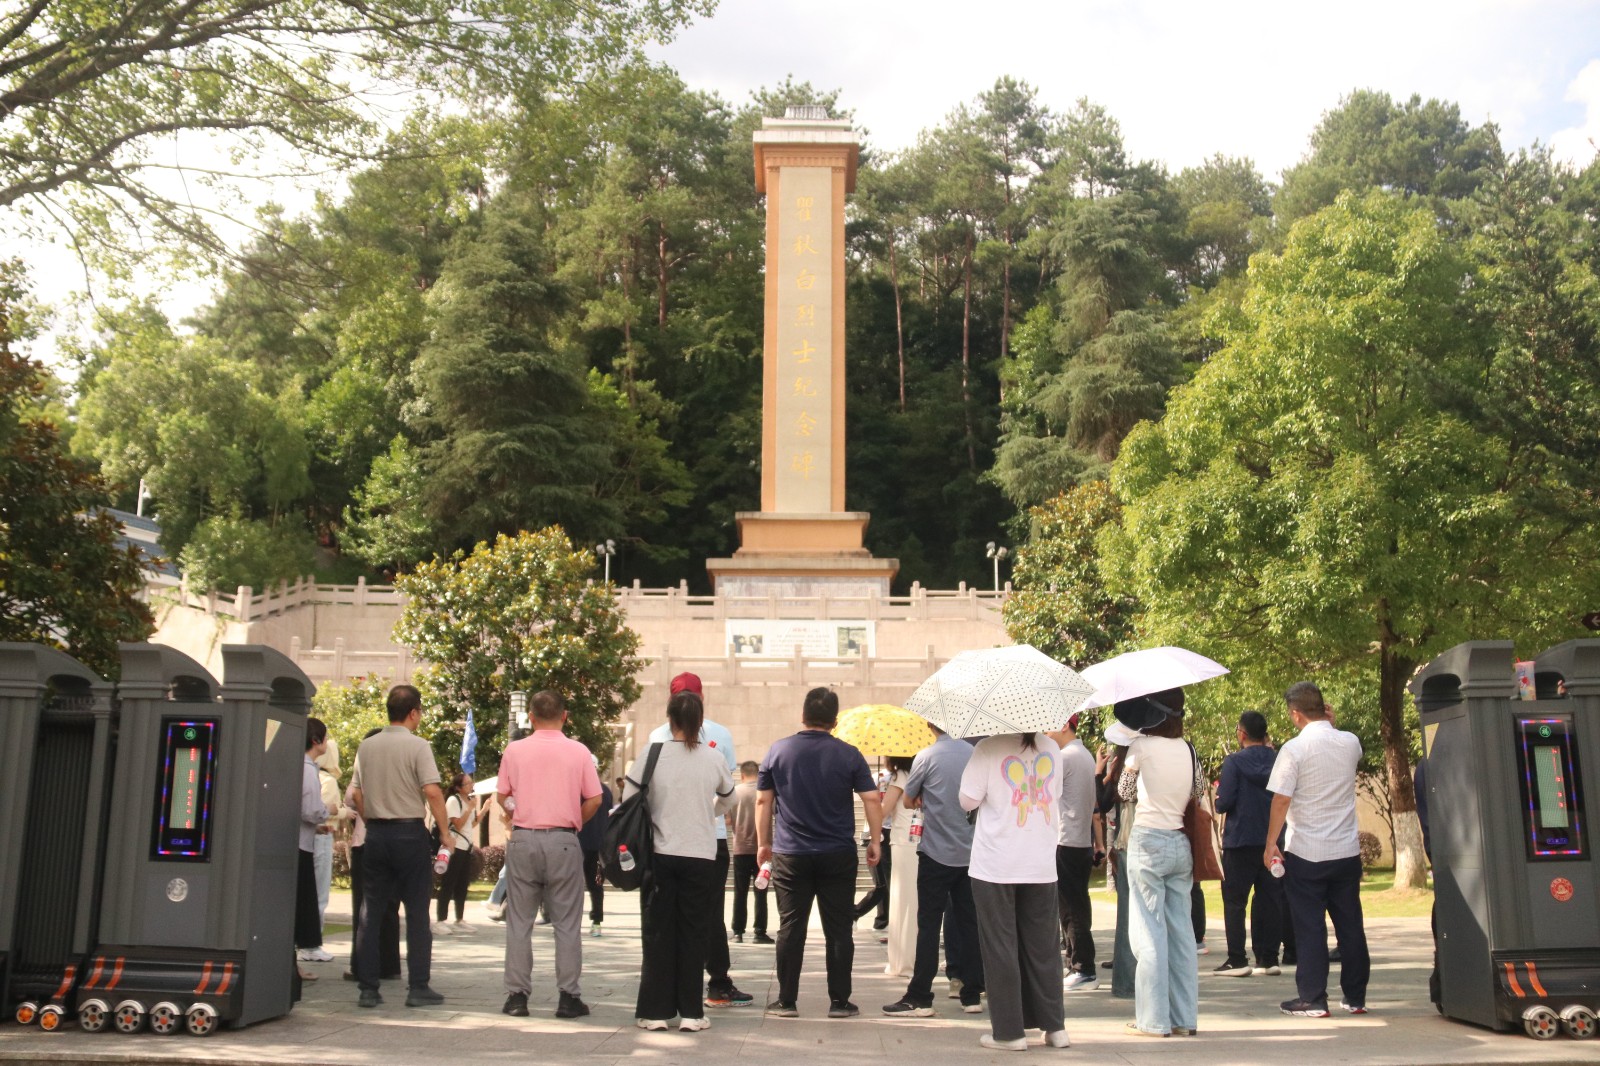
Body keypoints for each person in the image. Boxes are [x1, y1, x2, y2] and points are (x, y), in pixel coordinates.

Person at [757, 686, 884, 1019]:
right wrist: (875, 841)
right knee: (839, 928)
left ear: (803, 716)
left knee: (790, 927)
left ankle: (786, 1000)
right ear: (835, 720)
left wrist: (763, 843)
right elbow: (871, 799)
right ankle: (840, 1001)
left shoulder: (778, 751)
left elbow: (763, 801)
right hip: (837, 853)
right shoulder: (849, 754)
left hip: (790, 854)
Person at [630, 691, 738, 1032]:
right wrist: (708, 813)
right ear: (700, 722)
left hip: (660, 853)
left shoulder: (652, 753)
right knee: (694, 932)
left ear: (670, 719)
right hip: (701, 854)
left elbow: (632, 798)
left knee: (659, 932)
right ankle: (692, 1013)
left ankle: (656, 1011)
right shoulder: (712, 756)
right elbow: (729, 798)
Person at [1265, 681, 1370, 1018]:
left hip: (1307, 851)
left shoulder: (1293, 750)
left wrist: (1270, 844)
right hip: (1346, 851)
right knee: (1350, 924)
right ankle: (1355, 997)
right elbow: (1338, 744)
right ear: (1324, 708)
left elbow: (1281, 799)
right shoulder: (1350, 742)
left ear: (1295, 714)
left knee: (1310, 926)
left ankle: (1313, 998)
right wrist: (1332, 725)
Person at [497, 689, 603, 1020]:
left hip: (525, 838)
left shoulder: (514, 751)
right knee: (567, 923)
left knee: (519, 921)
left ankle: (517, 996)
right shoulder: (579, 751)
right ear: (564, 715)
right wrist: (572, 821)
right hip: (563, 839)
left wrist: (519, 810)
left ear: (530, 717)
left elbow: (503, 796)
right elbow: (595, 799)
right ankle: (568, 997)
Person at [959, 729, 1068, 1051]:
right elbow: (1055, 793)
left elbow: (967, 799)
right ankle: (1055, 1027)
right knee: (1044, 949)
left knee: (1000, 948)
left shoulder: (988, 748)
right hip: (1041, 861)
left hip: (996, 862)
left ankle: (1009, 1032)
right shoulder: (1051, 747)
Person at [649, 672, 752, 1007]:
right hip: (706, 840)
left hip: (670, 840)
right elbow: (728, 790)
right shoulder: (716, 737)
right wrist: (709, 812)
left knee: (678, 916)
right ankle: (713, 984)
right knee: (706, 915)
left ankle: (694, 986)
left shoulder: (660, 738)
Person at [348, 686, 451, 1009]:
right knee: (417, 912)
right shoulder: (418, 746)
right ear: (414, 712)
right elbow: (432, 792)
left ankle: (368, 988)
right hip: (409, 832)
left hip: (376, 834)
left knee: (371, 912)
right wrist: (445, 833)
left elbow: (357, 794)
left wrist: (372, 818)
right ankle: (418, 986)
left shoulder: (367, 746)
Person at [1116, 693, 1204, 1038]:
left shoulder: (1143, 746)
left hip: (1148, 841)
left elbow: (1124, 791)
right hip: (1179, 843)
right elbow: (1196, 790)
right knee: (1182, 934)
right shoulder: (1189, 749)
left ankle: (1153, 1020)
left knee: (1148, 934)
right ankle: (1185, 1018)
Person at [882, 723, 985, 1017]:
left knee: (928, 925)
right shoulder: (975, 753)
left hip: (935, 851)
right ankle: (971, 994)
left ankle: (921, 996)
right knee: (970, 924)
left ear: (930, 724)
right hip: (969, 852)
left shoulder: (926, 756)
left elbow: (908, 798)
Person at [1213, 710, 1290, 977]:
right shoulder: (1279, 759)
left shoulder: (1233, 762)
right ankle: (1268, 958)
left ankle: (1237, 958)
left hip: (1240, 839)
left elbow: (1224, 802)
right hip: (1272, 839)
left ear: (1242, 733)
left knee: (1235, 901)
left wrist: (1216, 797)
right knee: (1270, 899)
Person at [342, 727, 400, 984]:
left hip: (367, 840)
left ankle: (363, 965)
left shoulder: (364, 766)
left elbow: (350, 798)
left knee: (364, 907)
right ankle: (390, 964)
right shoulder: (400, 767)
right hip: (398, 841)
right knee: (390, 906)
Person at [1049, 712, 1102, 992]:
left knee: (1071, 908)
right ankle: (1075, 962)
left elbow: (1045, 793)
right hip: (1078, 840)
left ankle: (1083, 967)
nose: (1046, 733)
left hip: (1066, 839)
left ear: (1063, 725)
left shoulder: (1065, 757)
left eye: (1049, 727)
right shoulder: (1084, 754)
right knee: (1076, 905)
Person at [296, 717, 332, 979]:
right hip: (301, 847)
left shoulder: (302, 766)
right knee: (301, 905)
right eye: (325, 738)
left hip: (301, 840)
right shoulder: (308, 770)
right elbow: (309, 810)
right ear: (316, 740)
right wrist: (326, 812)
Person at [880, 754, 920, 976]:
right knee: (911, 901)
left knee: (902, 900)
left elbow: (883, 810)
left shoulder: (900, 777)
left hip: (903, 841)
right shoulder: (920, 772)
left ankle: (902, 962)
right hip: (919, 839)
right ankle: (905, 959)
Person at [729, 761, 772, 944]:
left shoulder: (735, 792)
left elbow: (729, 819)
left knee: (740, 892)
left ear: (742, 774)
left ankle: (738, 931)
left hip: (740, 847)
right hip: (763, 849)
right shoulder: (766, 793)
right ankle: (759, 931)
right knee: (761, 891)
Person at [433, 771, 479, 934]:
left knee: (462, 884)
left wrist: (483, 810)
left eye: (471, 782)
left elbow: (470, 825)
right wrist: (470, 808)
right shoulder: (454, 801)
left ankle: (459, 918)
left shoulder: (468, 801)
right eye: (467, 783)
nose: (471, 785)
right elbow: (458, 824)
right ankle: (440, 920)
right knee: (449, 883)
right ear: (459, 787)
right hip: (455, 846)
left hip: (466, 847)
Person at [575, 755, 613, 938]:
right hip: (598, 844)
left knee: (581, 885)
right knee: (595, 885)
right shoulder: (606, 790)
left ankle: (591, 921)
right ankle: (596, 921)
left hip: (582, 843)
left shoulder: (578, 791)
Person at [314, 742, 343, 942]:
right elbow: (322, 811)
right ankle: (314, 940)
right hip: (322, 835)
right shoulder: (328, 781)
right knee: (319, 894)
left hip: (308, 836)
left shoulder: (307, 774)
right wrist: (344, 812)